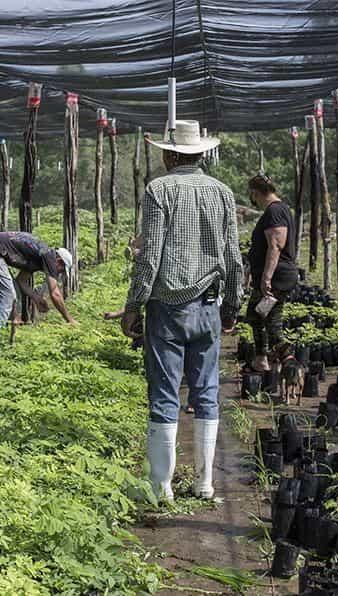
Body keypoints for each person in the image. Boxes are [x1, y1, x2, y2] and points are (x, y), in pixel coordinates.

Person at [121, 120, 242, 501]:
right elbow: (234, 258)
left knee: (164, 392)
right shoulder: (222, 192)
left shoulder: (159, 189)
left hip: (167, 309)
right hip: (208, 304)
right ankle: (205, 484)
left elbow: (150, 255)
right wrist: (233, 305)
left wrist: (133, 304)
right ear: (201, 153)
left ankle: (161, 488)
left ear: (171, 154)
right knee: (206, 391)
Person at [244, 174, 298, 373]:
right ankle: (264, 360)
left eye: (252, 195)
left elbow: (275, 245)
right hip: (275, 276)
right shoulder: (277, 209)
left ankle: (289, 363)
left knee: (271, 322)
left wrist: (266, 277)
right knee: (257, 315)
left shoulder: (275, 211)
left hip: (276, 277)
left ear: (255, 192)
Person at [0, 231, 76, 328]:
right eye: (61, 270)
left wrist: (36, 298)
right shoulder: (49, 256)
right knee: (7, 294)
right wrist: (69, 319)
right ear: (59, 261)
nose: (58, 273)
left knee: (2, 294)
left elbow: (21, 281)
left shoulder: (38, 258)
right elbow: (55, 293)